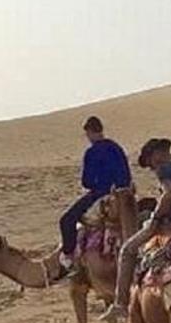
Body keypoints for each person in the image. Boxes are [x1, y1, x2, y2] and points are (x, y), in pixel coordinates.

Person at [104, 138, 171, 322]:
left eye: (150, 162)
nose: (151, 167)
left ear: (156, 155)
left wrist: (156, 216)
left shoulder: (164, 170)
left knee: (127, 250)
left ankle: (120, 304)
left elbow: (169, 194)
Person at [56, 115, 132, 277]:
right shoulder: (116, 148)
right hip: (124, 194)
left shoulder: (92, 152)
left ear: (90, 132)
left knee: (67, 220)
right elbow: (126, 176)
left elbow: (87, 181)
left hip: (101, 194)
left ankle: (69, 260)